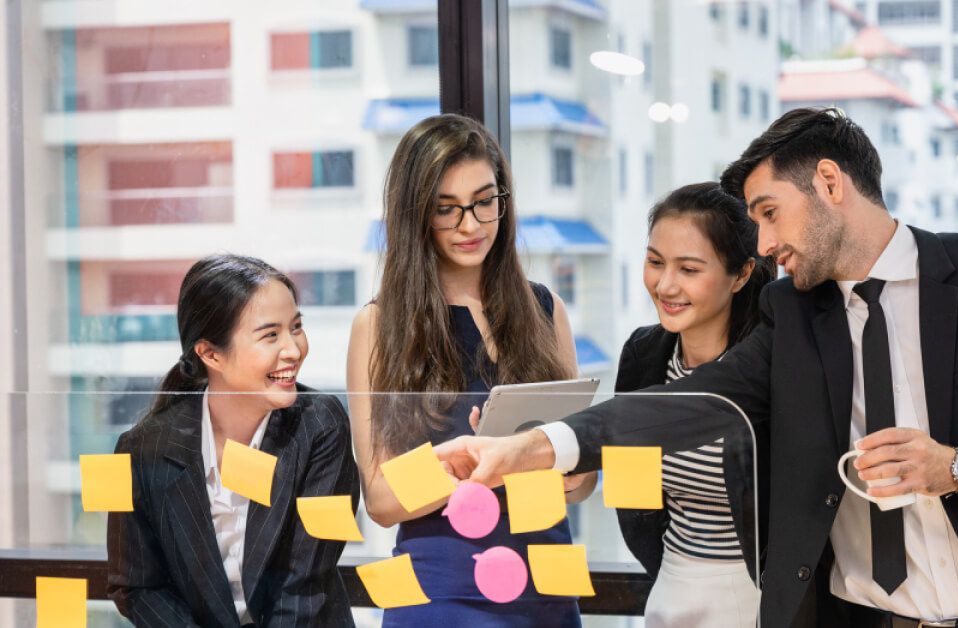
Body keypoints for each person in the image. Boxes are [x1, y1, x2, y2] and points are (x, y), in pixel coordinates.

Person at [434, 107, 958, 628]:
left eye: (771, 213)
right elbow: (689, 403)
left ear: (830, 182)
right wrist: (534, 444)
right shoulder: (793, 314)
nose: (765, 242)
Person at [346, 113, 595, 627]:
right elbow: (381, 500)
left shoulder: (546, 310)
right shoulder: (378, 326)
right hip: (441, 591)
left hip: (543, 582)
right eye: (447, 209)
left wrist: (558, 464)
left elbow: (581, 478)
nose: (471, 225)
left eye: (485, 202)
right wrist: (459, 464)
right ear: (416, 216)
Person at [107, 254, 359, 627]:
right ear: (210, 353)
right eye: (270, 335)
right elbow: (137, 587)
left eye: (296, 327)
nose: (293, 349)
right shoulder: (142, 449)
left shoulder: (321, 424)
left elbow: (305, 584)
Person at [615, 182, 772, 628]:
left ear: (741, 274)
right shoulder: (643, 355)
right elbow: (631, 492)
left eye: (689, 269)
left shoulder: (772, 364)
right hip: (671, 586)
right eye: (655, 262)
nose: (665, 285)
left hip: (759, 594)